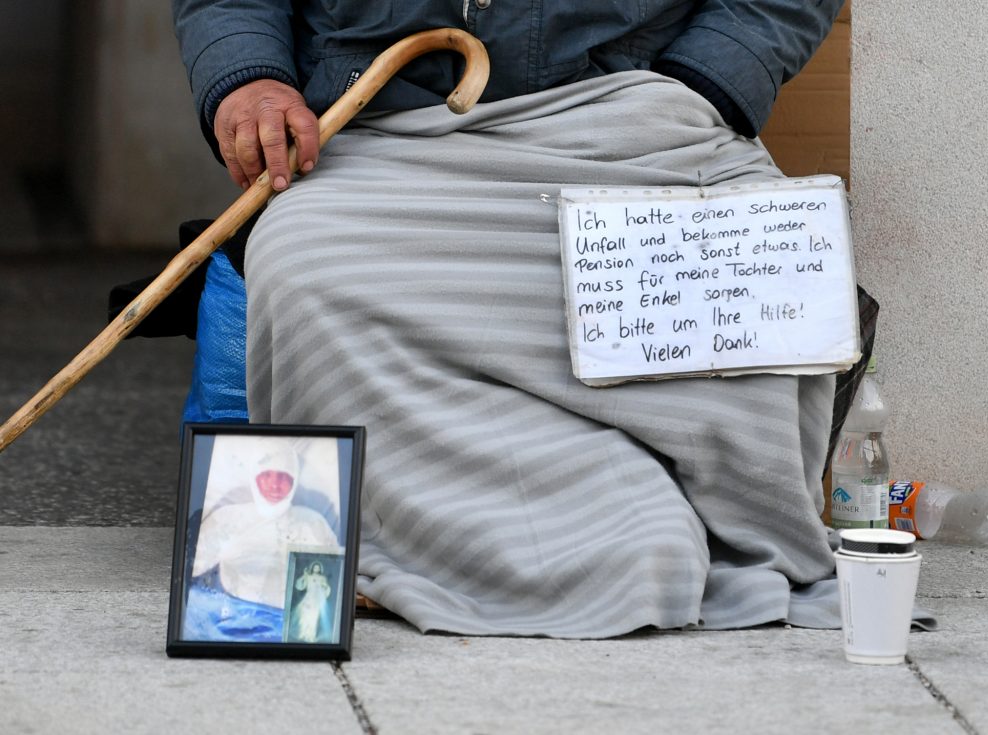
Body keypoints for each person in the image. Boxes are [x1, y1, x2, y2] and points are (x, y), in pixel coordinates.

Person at [173, 1, 850, 637]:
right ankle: (614, 529)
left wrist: (711, 79)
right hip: (384, 139)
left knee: (768, 280)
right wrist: (250, 81)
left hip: (636, 124)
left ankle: (621, 517)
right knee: (302, 261)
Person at [184, 436, 342, 641]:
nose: (275, 485)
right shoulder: (229, 518)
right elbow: (189, 569)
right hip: (229, 621)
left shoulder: (311, 523)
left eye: (284, 476)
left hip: (290, 626)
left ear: (294, 479)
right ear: (254, 476)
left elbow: (330, 583)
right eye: (267, 475)